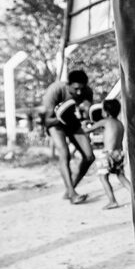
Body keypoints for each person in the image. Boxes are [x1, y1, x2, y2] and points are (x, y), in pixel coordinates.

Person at [42, 70, 95, 204]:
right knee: (64, 153)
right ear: (68, 84)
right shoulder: (55, 90)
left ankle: (70, 190)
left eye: (81, 89)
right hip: (55, 123)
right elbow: (47, 121)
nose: (78, 93)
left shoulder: (87, 92)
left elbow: (88, 114)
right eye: (75, 89)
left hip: (72, 122)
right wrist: (62, 115)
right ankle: (72, 193)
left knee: (89, 156)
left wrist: (87, 111)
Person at [84, 99, 131, 210]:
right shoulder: (119, 123)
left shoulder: (104, 121)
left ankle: (112, 201)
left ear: (106, 112)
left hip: (107, 154)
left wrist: (84, 125)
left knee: (103, 177)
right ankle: (134, 197)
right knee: (121, 176)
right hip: (119, 153)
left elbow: (87, 130)